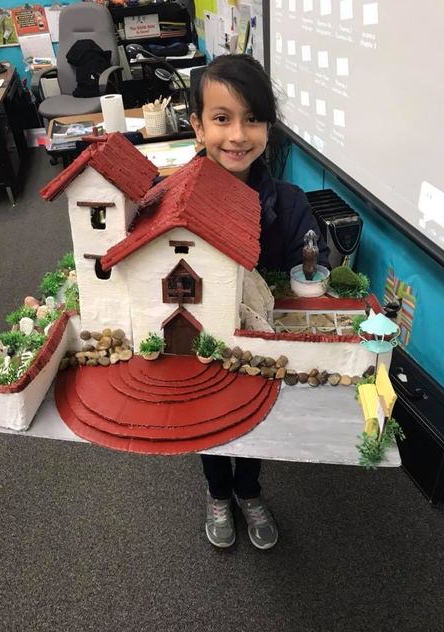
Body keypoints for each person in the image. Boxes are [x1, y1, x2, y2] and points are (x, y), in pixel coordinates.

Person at [190, 54, 329, 550]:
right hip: (197, 337)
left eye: (253, 119)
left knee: (253, 413)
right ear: (198, 127)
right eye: (222, 118)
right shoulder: (170, 197)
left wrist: (309, 281)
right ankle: (216, 491)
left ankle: (248, 490)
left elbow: (307, 273)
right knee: (204, 414)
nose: (237, 135)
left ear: (269, 127)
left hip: (261, 341)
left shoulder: (288, 202)